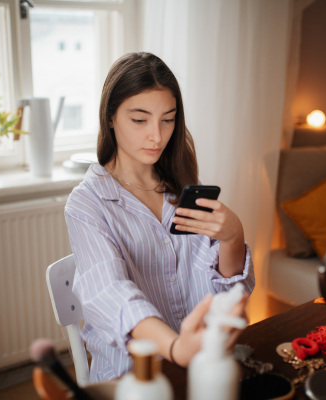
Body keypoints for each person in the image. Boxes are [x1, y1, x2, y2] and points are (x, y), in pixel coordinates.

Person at [64, 52, 255, 382]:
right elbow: (110, 294)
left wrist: (233, 238)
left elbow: (220, 295)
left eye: (168, 119)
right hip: (134, 376)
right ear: (110, 118)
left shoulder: (182, 189)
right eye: (140, 120)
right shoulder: (87, 204)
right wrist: (175, 347)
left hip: (198, 363)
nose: (157, 135)